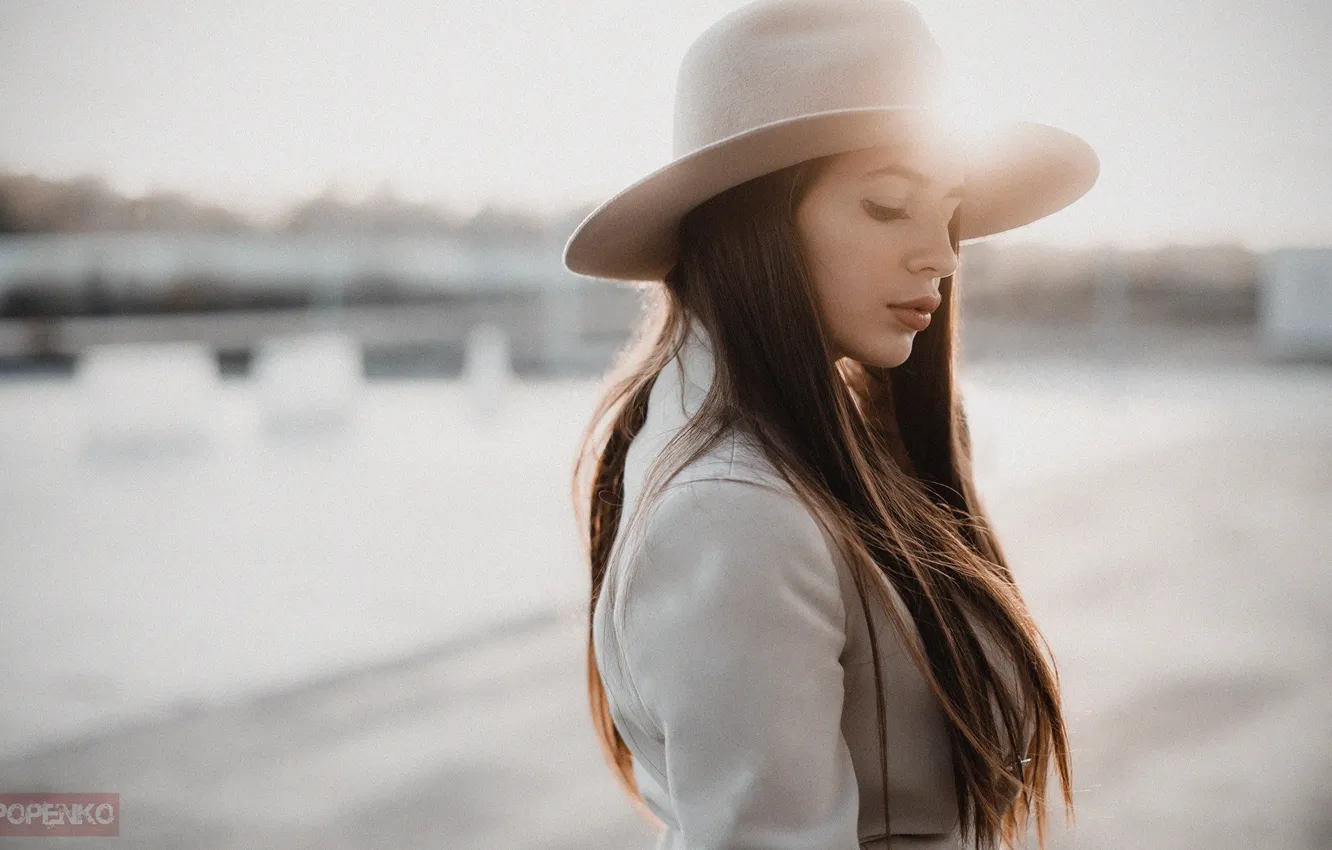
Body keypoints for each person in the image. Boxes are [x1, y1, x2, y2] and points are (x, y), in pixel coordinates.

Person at [566, 1, 1099, 848]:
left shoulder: (825, 434)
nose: (942, 255)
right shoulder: (735, 510)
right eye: (889, 205)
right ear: (754, 221)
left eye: (949, 211)